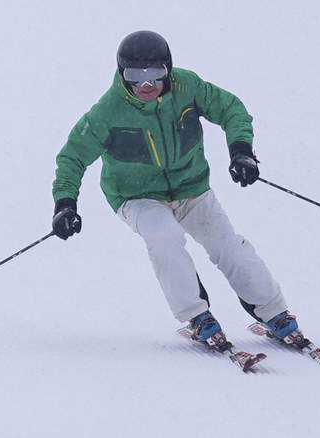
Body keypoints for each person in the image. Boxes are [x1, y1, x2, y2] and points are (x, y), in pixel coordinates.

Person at [52, 30, 298, 347]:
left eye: (155, 74)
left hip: (191, 187)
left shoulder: (187, 87)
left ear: (167, 68)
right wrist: (65, 204)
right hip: (137, 197)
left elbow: (231, 108)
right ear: (121, 73)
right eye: (134, 75)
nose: (146, 84)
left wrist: (241, 152)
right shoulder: (108, 112)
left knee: (229, 247)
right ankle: (198, 317)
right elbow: (72, 157)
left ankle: (276, 314)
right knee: (165, 238)